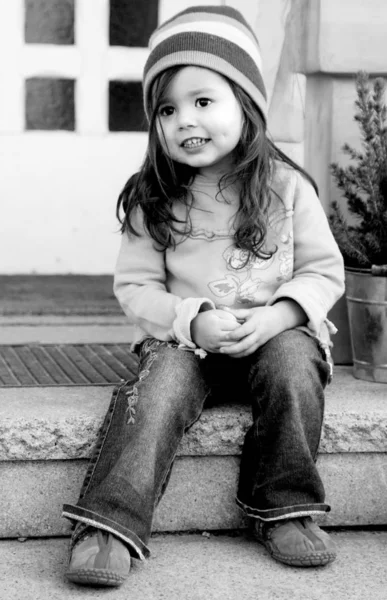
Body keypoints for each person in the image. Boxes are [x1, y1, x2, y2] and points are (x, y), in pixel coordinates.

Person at [62, 5, 345, 588]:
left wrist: (279, 317)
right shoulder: (155, 199)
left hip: (273, 340)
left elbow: (323, 271)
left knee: (296, 362)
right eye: (166, 109)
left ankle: (285, 506)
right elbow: (135, 288)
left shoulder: (287, 188)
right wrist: (189, 320)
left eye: (202, 101)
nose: (183, 119)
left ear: (246, 103)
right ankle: (111, 522)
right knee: (159, 385)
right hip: (185, 345)